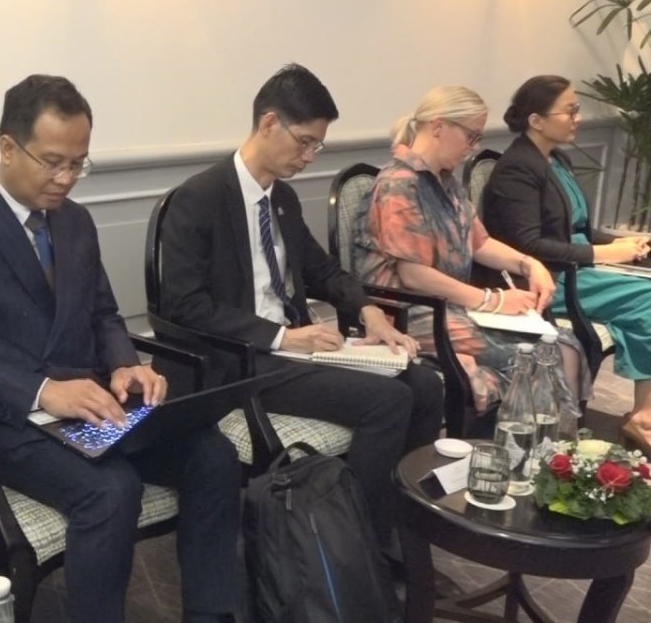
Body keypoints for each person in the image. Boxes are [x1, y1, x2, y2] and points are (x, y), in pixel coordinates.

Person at [0, 75, 242, 623]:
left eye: (79, 163)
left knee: (213, 455)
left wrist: (124, 364)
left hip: (89, 408)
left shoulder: (75, 221)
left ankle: (211, 615)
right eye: (53, 162)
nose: (66, 179)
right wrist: (41, 391)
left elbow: (103, 313)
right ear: (8, 147)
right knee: (111, 491)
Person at [156, 63, 443, 551]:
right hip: (240, 360)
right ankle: (360, 549)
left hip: (294, 349)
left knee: (424, 384)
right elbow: (185, 305)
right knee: (389, 400)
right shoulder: (199, 198)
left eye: (317, 146)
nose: (309, 156)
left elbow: (323, 270)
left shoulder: (282, 199)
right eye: (305, 142)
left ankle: (401, 528)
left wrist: (369, 311)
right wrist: (282, 337)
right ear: (269, 123)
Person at [353, 84, 587, 415]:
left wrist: (528, 264)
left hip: (452, 306)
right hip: (410, 312)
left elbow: (480, 243)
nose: (473, 147)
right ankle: (533, 438)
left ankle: (550, 440)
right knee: (539, 353)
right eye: (471, 136)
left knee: (562, 344)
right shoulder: (398, 184)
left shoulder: (446, 182)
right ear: (438, 126)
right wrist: (492, 301)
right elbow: (413, 275)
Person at [482, 75, 651, 453]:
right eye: (570, 111)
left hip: (575, 267)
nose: (578, 118)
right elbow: (529, 245)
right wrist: (603, 254)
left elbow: (576, 229)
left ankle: (644, 413)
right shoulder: (517, 169)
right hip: (545, 279)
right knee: (648, 298)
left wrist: (618, 244)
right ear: (536, 120)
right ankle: (643, 418)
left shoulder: (557, 159)